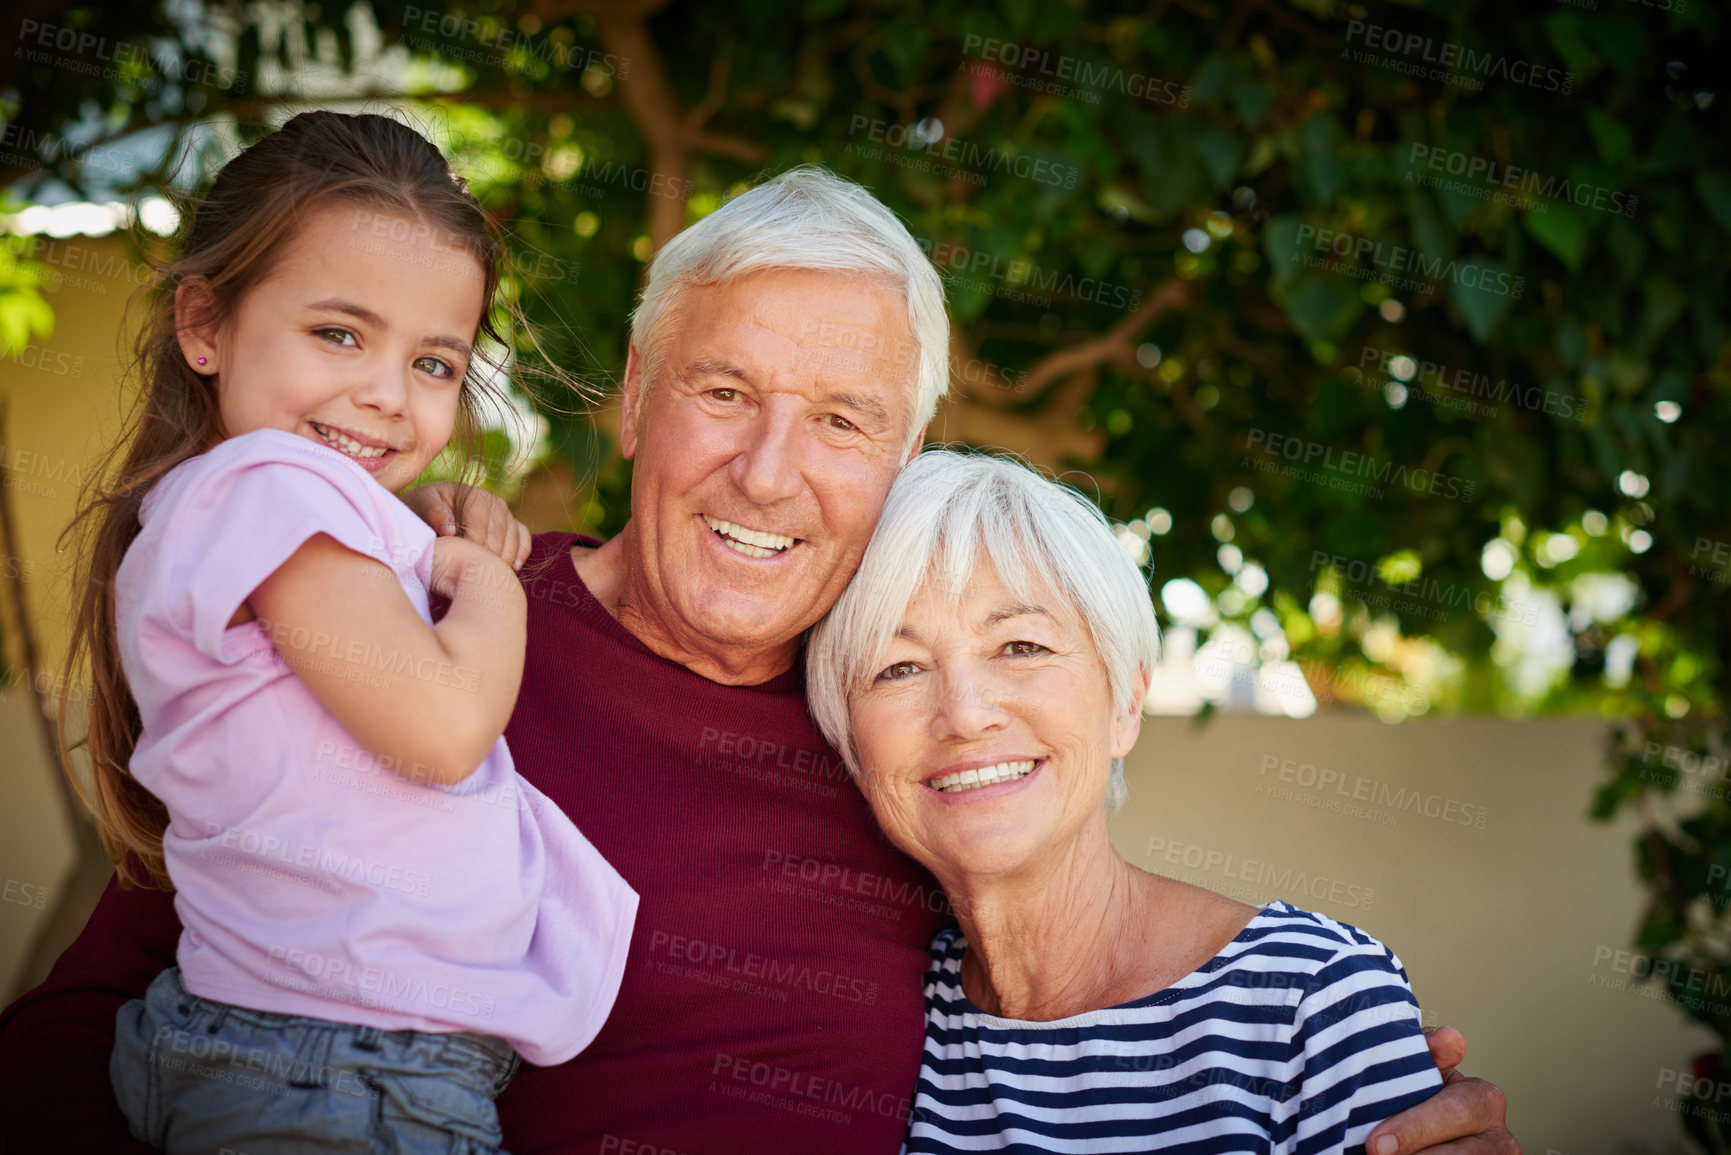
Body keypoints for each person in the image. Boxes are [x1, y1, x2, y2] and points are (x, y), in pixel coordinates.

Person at [0, 162, 1515, 1154]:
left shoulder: (910, 736)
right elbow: (96, 1020)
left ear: (904, 453)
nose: (769, 472)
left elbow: (1094, 993)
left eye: (844, 420)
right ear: (638, 396)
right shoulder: (431, 624)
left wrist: (1357, 1079)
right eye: (724, 391)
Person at [65, 110, 636, 1153]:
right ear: (204, 322)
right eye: (339, 333)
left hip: (320, 1059)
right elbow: (445, 728)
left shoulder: (250, 501)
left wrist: (427, 538)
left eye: (435, 364)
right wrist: (488, 585)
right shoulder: (270, 490)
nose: (383, 394)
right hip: (342, 1072)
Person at [808, 449, 1441, 1151]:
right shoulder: (874, 1019)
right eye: (897, 666)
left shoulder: (1312, 1000)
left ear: (1126, 700)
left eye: (1020, 646)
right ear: (851, 750)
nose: (964, 712)